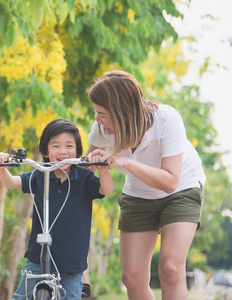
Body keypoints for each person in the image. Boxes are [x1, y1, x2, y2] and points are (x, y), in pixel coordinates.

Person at [85, 70, 206, 300]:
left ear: (121, 111)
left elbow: (170, 181)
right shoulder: (102, 128)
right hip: (138, 194)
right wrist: (93, 162)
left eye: (102, 114)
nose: (98, 120)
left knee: (170, 268)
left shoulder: (167, 119)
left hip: (181, 188)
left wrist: (126, 162)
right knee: (131, 277)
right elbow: (87, 167)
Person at [0, 118, 113, 299]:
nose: (63, 151)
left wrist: (102, 166)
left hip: (72, 263)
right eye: (55, 146)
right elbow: (10, 182)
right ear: (45, 152)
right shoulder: (39, 174)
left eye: (69, 146)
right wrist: (2, 165)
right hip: (37, 259)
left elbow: (107, 189)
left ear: (77, 151)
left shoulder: (83, 177)